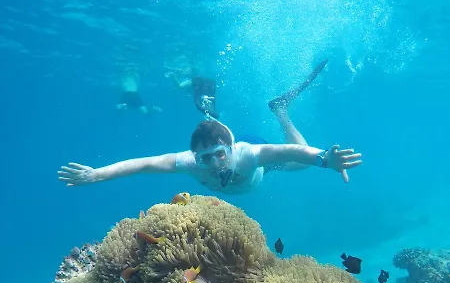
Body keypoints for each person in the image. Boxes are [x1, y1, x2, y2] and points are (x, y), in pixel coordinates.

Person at [59, 62, 362, 193]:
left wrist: (324, 159)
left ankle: (281, 111)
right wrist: (97, 174)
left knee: (298, 164)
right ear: (196, 158)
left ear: (229, 149)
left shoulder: (248, 155)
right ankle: (210, 111)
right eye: (206, 159)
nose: (215, 164)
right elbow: (142, 164)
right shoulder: (190, 162)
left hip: (254, 153)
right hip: (227, 143)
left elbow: (292, 150)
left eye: (219, 154)